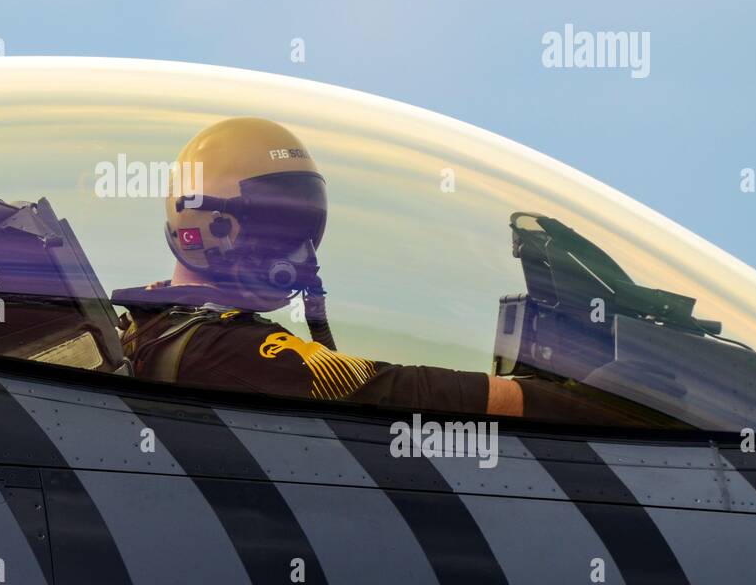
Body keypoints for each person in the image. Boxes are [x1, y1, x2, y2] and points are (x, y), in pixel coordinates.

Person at [111, 117, 608, 422]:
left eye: (305, 233)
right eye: (280, 231)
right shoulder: (218, 350)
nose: (299, 253)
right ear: (205, 225)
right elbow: (396, 390)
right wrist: (571, 409)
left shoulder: (149, 322)